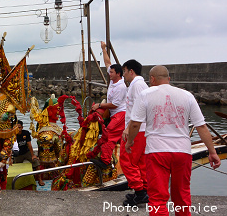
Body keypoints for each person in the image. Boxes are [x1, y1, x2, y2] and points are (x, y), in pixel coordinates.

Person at [126, 65, 221, 216]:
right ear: (168, 79)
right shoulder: (187, 95)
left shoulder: (145, 94)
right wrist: (212, 151)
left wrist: (130, 141)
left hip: (157, 152)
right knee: (182, 196)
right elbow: (201, 126)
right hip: (182, 152)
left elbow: (135, 124)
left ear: (152, 79)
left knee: (157, 198)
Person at [90, 41, 127, 169]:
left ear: (118, 74)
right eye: (109, 72)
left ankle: (105, 160)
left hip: (120, 114)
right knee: (120, 138)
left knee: (109, 134)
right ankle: (124, 158)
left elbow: (115, 105)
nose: (109, 74)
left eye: (111, 73)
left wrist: (99, 105)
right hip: (115, 114)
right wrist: (103, 49)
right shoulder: (113, 79)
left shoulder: (120, 86)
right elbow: (107, 62)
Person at [120, 59, 149, 206]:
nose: (123, 74)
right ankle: (143, 190)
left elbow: (139, 110)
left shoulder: (136, 85)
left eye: (124, 71)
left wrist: (128, 128)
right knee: (140, 162)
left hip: (136, 130)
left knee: (127, 160)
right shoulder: (140, 84)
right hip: (141, 130)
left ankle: (139, 192)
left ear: (131, 71)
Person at [13, 120, 44, 186]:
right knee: (16, 167)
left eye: (19, 127)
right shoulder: (13, 135)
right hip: (18, 154)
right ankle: (18, 182)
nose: (18, 129)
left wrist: (32, 155)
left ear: (22, 127)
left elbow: (29, 145)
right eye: (16, 127)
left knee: (36, 162)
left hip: (26, 152)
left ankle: (39, 179)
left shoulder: (26, 133)